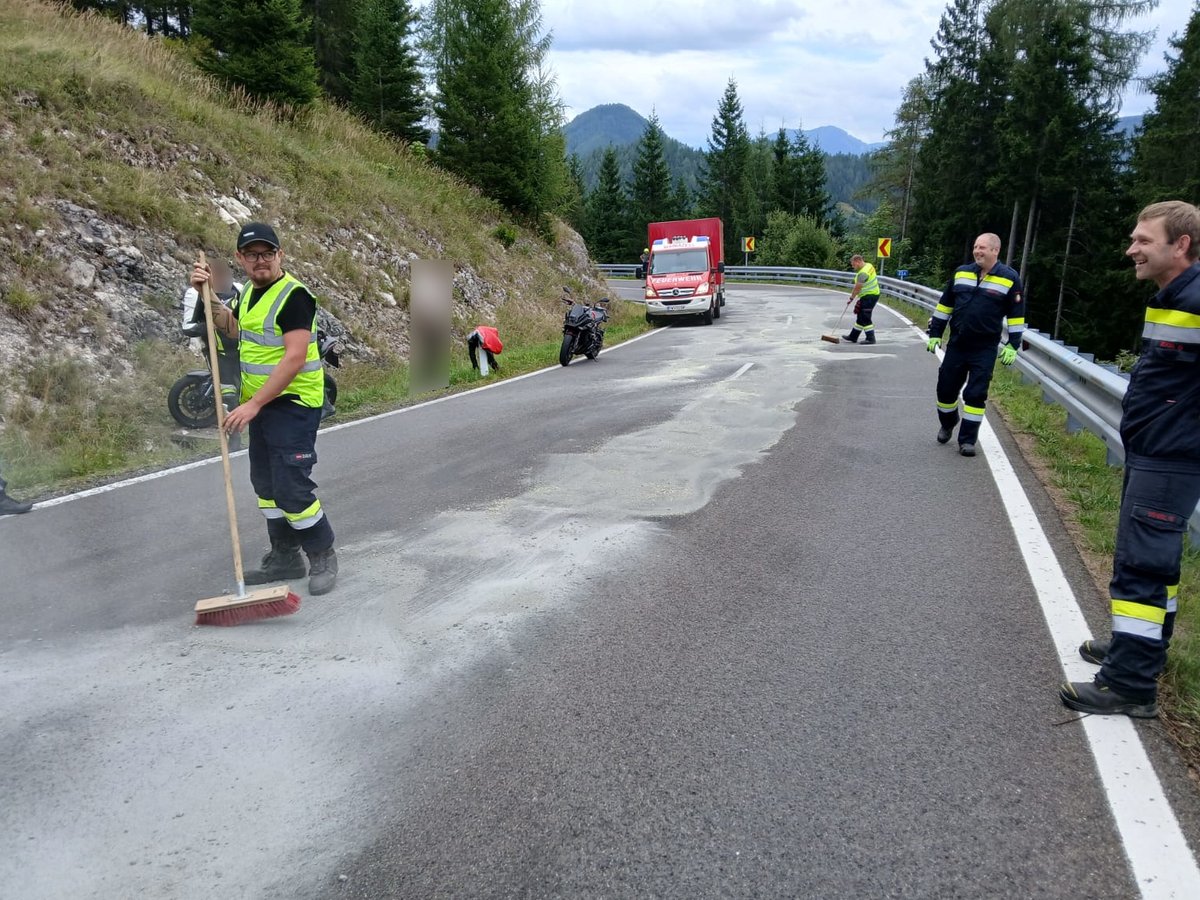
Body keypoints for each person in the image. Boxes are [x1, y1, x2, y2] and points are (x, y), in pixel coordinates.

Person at [1061, 201, 1200, 718]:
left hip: (1172, 457)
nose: (1131, 250)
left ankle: (1129, 685)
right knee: (1154, 568)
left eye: (1143, 240)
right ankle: (1140, 651)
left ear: (1179, 244)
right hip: (1157, 451)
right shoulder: (1175, 295)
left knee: (1141, 567)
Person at [191, 222, 339, 596]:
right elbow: (233, 329)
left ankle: (322, 553)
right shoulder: (249, 295)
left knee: (291, 485)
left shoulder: (294, 296)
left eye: (267, 253)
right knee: (266, 485)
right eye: (252, 254)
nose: (261, 260)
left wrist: (252, 405)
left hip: (293, 404)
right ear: (241, 258)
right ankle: (284, 556)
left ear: (280, 255)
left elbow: (292, 359)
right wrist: (206, 294)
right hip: (263, 407)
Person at [925, 232, 1026, 457]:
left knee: (976, 393)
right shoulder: (961, 273)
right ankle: (949, 422)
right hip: (958, 344)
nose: (977, 251)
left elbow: (1016, 316)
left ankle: (967, 440)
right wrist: (935, 333)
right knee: (945, 390)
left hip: (985, 348)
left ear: (995, 251)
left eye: (982, 248)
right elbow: (945, 306)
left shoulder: (1010, 279)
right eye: (975, 247)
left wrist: (1013, 345)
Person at [182, 256, 242, 412]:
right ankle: (228, 421)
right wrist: (212, 325)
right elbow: (188, 327)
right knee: (228, 395)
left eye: (226, 273)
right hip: (218, 354)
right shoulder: (196, 293)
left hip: (243, 353)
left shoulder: (240, 290)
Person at [843, 254, 881, 344]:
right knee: (860, 316)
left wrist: (851, 298)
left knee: (865, 317)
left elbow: (857, 288)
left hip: (869, 296)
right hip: (872, 294)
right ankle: (853, 336)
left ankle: (871, 338)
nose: (853, 267)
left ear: (858, 261)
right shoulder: (869, 266)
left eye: (853, 264)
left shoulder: (863, 273)